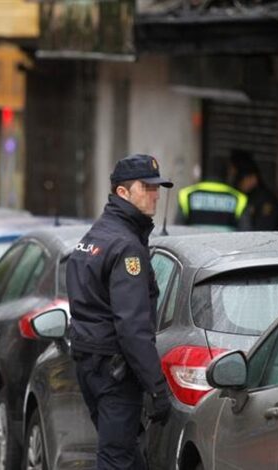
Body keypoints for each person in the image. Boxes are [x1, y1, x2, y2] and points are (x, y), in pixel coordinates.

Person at [66, 153, 173, 470]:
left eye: (157, 187)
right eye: (147, 187)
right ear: (122, 192)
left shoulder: (96, 235)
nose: (155, 194)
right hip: (115, 371)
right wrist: (157, 387)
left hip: (91, 363)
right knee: (116, 459)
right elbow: (132, 328)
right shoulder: (126, 246)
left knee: (126, 457)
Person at [175, 159, 249, 231]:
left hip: (193, 239)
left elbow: (177, 230)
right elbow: (246, 233)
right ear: (227, 173)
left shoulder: (187, 195)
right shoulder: (239, 199)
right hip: (225, 240)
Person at [231, 150, 278, 230]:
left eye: (240, 179)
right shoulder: (241, 197)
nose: (238, 183)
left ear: (254, 178)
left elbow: (264, 230)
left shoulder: (264, 199)